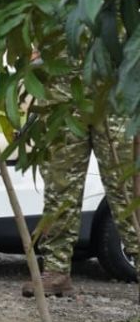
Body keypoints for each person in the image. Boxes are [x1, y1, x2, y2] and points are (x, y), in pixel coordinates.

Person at [29, 73, 139, 297]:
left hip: (116, 91)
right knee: (60, 187)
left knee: (127, 186)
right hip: (61, 93)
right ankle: (56, 269)